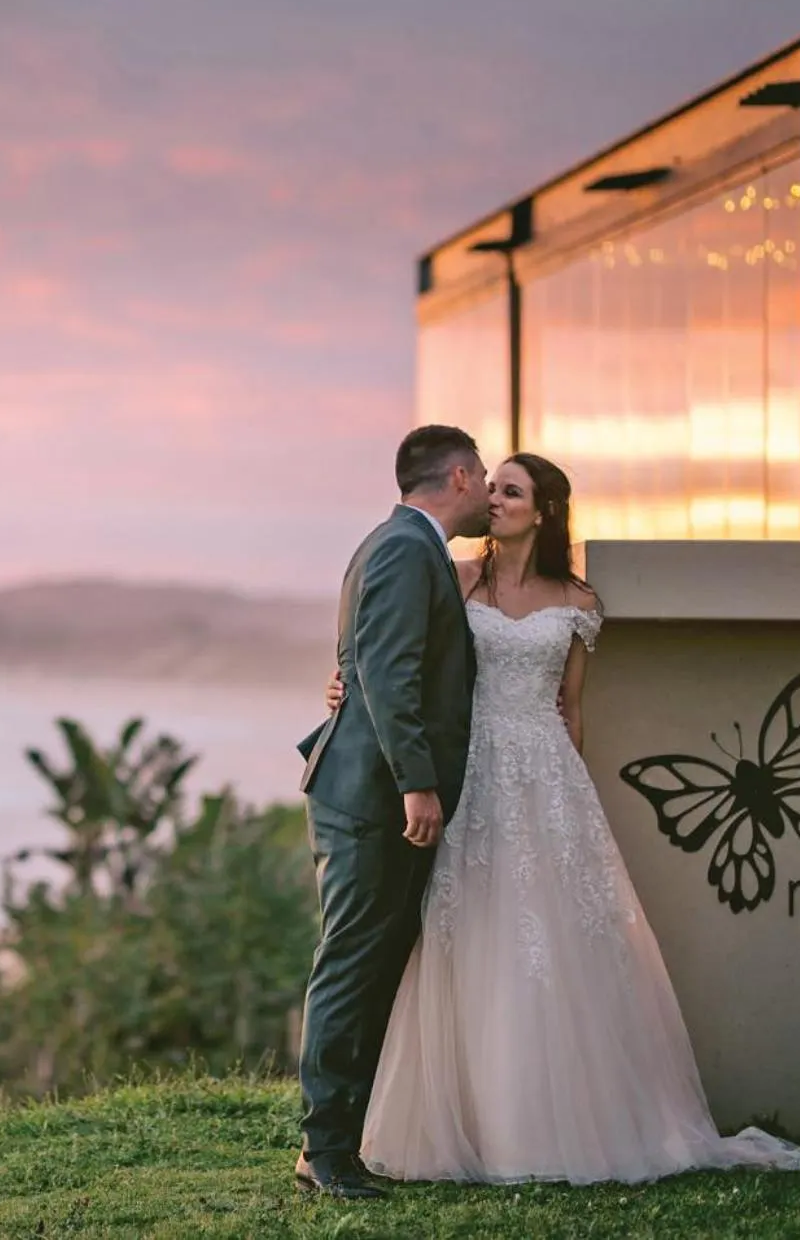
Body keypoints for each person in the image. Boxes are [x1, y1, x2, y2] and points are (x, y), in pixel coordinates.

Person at [319, 450, 800, 1187]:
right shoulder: (456, 579)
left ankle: (555, 1127)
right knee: (466, 938)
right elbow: (391, 654)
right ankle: (456, 1124)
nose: (493, 500)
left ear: (544, 510)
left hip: (543, 779)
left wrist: (564, 802)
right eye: (490, 487)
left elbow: (571, 712)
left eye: (510, 491)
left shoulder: (578, 602)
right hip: (469, 772)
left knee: (549, 946)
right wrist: (342, 689)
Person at [291, 424, 489, 1200]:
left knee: (368, 966)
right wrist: (417, 783)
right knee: (351, 966)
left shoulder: (398, 544)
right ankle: (325, 1151)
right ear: (462, 476)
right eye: (482, 478)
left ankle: (337, 1143)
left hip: (367, 789)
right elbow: (386, 671)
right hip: (372, 798)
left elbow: (364, 662)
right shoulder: (407, 550)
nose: (484, 490)